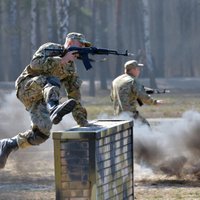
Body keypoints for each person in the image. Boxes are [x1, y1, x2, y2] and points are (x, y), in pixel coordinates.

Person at [0, 32, 91, 169]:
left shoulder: (71, 68)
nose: (83, 47)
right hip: (27, 87)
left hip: (42, 98)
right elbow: (35, 64)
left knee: (41, 133)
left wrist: (83, 122)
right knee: (52, 81)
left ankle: (9, 144)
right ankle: (54, 108)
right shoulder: (52, 48)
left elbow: (74, 95)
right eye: (81, 44)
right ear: (71, 43)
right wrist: (61, 60)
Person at [110, 60, 164, 126]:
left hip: (117, 115)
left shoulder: (116, 80)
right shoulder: (132, 81)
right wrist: (154, 102)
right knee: (146, 127)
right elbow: (143, 96)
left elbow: (112, 98)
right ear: (132, 70)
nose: (139, 71)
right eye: (137, 69)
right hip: (130, 115)